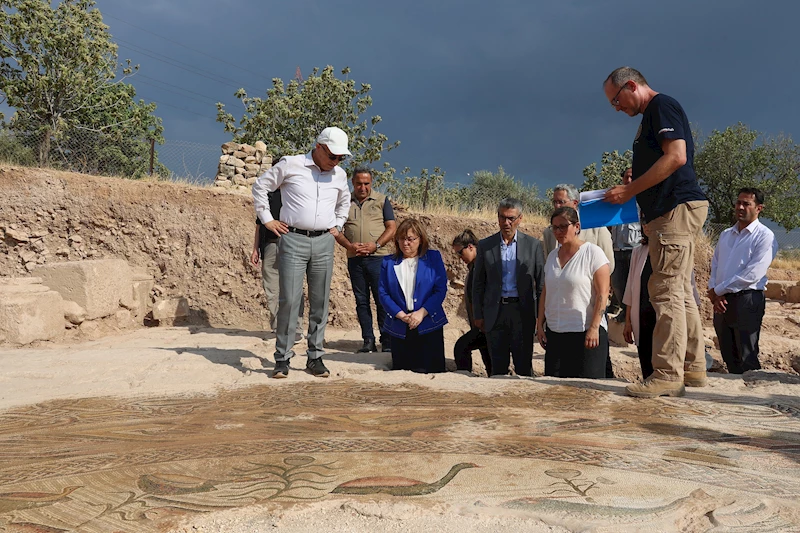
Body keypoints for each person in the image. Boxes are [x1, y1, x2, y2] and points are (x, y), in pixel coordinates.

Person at [603, 66, 709, 398]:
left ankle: (666, 373)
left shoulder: (661, 107)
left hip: (673, 211)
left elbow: (676, 157)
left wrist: (631, 189)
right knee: (677, 290)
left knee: (663, 290)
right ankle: (693, 368)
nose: (617, 108)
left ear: (631, 85)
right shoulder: (654, 115)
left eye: (616, 100)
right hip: (671, 213)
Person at [252, 126, 351, 379]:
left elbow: (344, 201)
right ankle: (282, 358)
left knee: (320, 302)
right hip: (292, 239)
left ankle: (315, 357)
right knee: (290, 300)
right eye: (332, 156)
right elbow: (260, 187)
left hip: (324, 242)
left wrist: (338, 225)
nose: (336, 162)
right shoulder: (291, 164)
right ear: (319, 147)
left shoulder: (339, 175)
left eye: (341, 158)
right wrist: (267, 220)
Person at [541, 184, 616, 378]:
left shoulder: (593, 251)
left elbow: (602, 292)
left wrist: (594, 328)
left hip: (585, 331)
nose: (558, 232)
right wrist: (539, 324)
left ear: (576, 227)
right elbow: (546, 291)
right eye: (555, 228)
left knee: (587, 391)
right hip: (556, 332)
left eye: (563, 227)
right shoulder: (551, 256)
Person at [624, 222, 706, 380]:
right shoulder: (638, 252)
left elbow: (689, 288)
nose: (646, 226)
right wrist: (628, 321)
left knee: (666, 356)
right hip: (642, 316)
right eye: (644, 222)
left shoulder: (676, 250)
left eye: (650, 222)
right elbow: (630, 289)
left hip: (666, 316)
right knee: (646, 363)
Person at [708, 187, 777, 375]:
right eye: (738, 202)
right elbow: (715, 265)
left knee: (747, 355)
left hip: (747, 300)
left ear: (759, 208)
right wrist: (714, 291)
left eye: (746, 204)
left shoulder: (765, 236)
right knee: (728, 354)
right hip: (721, 302)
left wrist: (719, 290)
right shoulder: (725, 235)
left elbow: (753, 274)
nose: (740, 207)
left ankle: (751, 399)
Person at [473, 198, 545, 377]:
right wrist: (478, 314)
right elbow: (478, 283)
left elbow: (541, 283)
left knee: (523, 364)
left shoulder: (533, 245)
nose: (506, 222)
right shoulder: (485, 245)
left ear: (520, 219)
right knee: (497, 365)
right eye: (502, 217)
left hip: (523, 311)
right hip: (495, 312)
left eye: (511, 218)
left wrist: (540, 317)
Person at [335, 166, 397, 353]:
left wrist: (375, 245)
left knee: (382, 300)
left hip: (378, 258)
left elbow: (391, 227)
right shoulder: (344, 201)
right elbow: (335, 229)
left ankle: (386, 341)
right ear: (352, 183)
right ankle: (368, 341)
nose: (363, 187)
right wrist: (349, 246)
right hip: (355, 259)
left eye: (366, 183)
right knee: (361, 301)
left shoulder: (381, 200)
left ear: (371, 183)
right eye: (359, 183)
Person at [378, 218, 448, 373]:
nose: (405, 243)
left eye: (410, 239)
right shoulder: (388, 262)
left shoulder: (433, 258)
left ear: (420, 239)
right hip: (400, 326)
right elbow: (383, 293)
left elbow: (440, 289)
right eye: (401, 239)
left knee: (431, 370)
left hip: (429, 325)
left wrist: (421, 313)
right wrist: (401, 315)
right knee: (403, 373)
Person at [249, 188, 304, 342]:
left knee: (294, 287)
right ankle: (277, 327)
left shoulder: (297, 192)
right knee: (272, 288)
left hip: (292, 244)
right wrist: (255, 249)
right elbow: (260, 224)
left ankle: (297, 328)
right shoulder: (267, 196)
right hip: (270, 245)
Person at [541, 184, 615, 273]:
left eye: (561, 202)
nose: (557, 206)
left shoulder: (596, 229)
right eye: (555, 202)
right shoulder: (549, 232)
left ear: (575, 203)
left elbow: (608, 264)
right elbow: (547, 266)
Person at [451, 229, 491, 375]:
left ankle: (464, 378)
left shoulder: (483, 267)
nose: (459, 257)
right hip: (480, 325)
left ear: (471, 247)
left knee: (461, 347)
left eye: (460, 252)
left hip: (486, 325)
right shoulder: (474, 267)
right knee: (489, 362)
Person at [609, 168, 642, 320]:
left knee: (634, 285)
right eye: (626, 177)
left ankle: (632, 314)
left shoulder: (642, 198)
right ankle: (623, 310)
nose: (628, 180)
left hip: (634, 247)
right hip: (617, 247)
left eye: (632, 177)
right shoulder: (617, 198)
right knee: (617, 283)